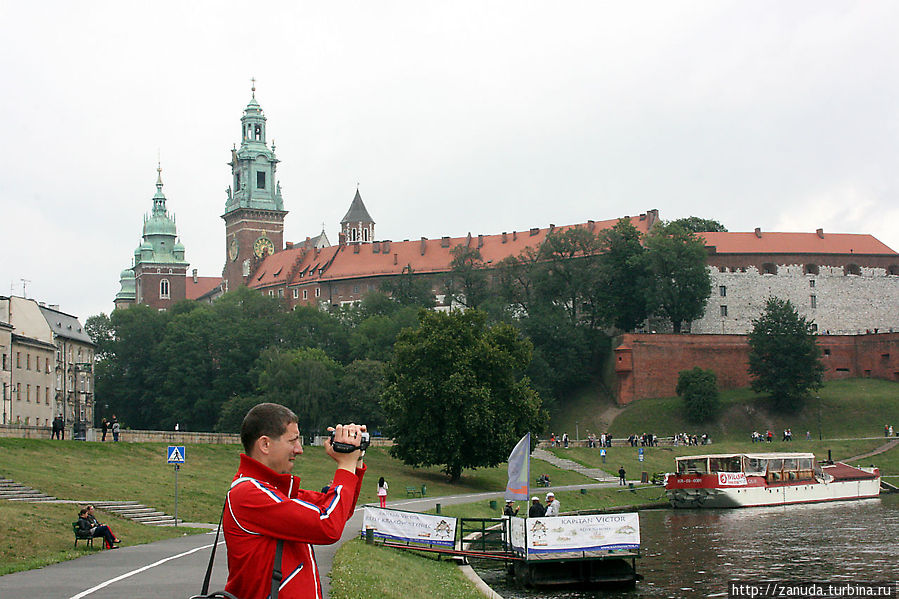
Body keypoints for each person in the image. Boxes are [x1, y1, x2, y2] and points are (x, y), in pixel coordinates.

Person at [223, 402, 366, 599]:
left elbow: (339, 510)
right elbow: (328, 525)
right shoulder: (248, 494)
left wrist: (356, 460)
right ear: (265, 444)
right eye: (293, 441)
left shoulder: (275, 491)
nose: (299, 449)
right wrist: (346, 464)